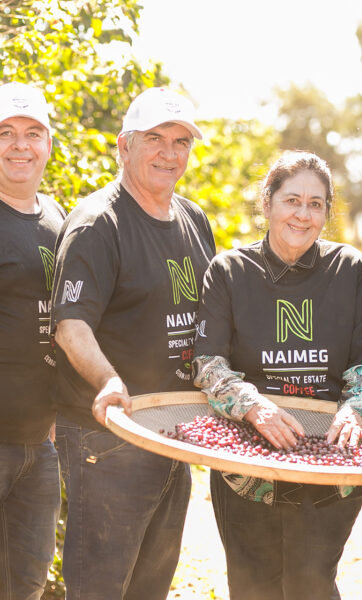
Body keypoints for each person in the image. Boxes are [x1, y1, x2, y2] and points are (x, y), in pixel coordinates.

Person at [192, 150, 362, 600]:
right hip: (247, 462)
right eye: (291, 200)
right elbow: (208, 364)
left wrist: (358, 410)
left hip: (328, 461)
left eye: (316, 203)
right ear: (267, 204)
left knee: (312, 583)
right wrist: (253, 405)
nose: (303, 214)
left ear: (327, 211)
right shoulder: (229, 271)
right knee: (252, 585)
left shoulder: (349, 269)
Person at [50, 87, 216, 599]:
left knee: (151, 586)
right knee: (101, 587)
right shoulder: (99, 224)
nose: (170, 153)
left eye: (181, 141)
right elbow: (70, 324)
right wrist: (108, 379)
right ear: (124, 146)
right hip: (110, 435)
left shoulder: (194, 220)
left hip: (173, 431)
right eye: (155, 139)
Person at [0, 81, 64, 600]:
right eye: (5, 133)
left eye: (32, 133)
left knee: (29, 582)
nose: (19, 145)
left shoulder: (57, 219)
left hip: (40, 444)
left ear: (48, 144)